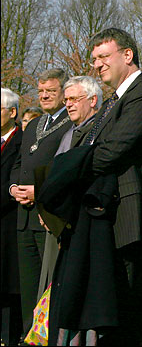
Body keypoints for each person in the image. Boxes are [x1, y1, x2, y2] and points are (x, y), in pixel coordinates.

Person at [44, 27, 142, 345]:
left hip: (130, 223)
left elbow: (110, 151)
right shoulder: (115, 101)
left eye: (103, 56)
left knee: (131, 315)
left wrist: (67, 174)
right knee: (110, 320)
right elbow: (88, 145)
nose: (97, 65)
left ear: (127, 55)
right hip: (104, 221)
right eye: (94, 59)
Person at [8, 68, 72, 342]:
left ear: (63, 93)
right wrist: (13, 187)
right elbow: (20, 163)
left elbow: (64, 169)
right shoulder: (34, 125)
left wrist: (40, 192)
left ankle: (47, 337)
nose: (45, 96)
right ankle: (27, 336)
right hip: (23, 216)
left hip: (49, 216)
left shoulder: (70, 124)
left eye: (51, 91)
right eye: (41, 91)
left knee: (47, 284)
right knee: (28, 284)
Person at [37, 75, 103, 301]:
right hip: (61, 221)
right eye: (66, 99)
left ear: (93, 100)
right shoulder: (69, 134)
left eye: (75, 99)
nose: (68, 104)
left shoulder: (99, 130)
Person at [1, 88, 23, 346]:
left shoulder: (22, 141)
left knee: (8, 289)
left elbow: (15, 180)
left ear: (12, 112)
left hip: (9, 221)